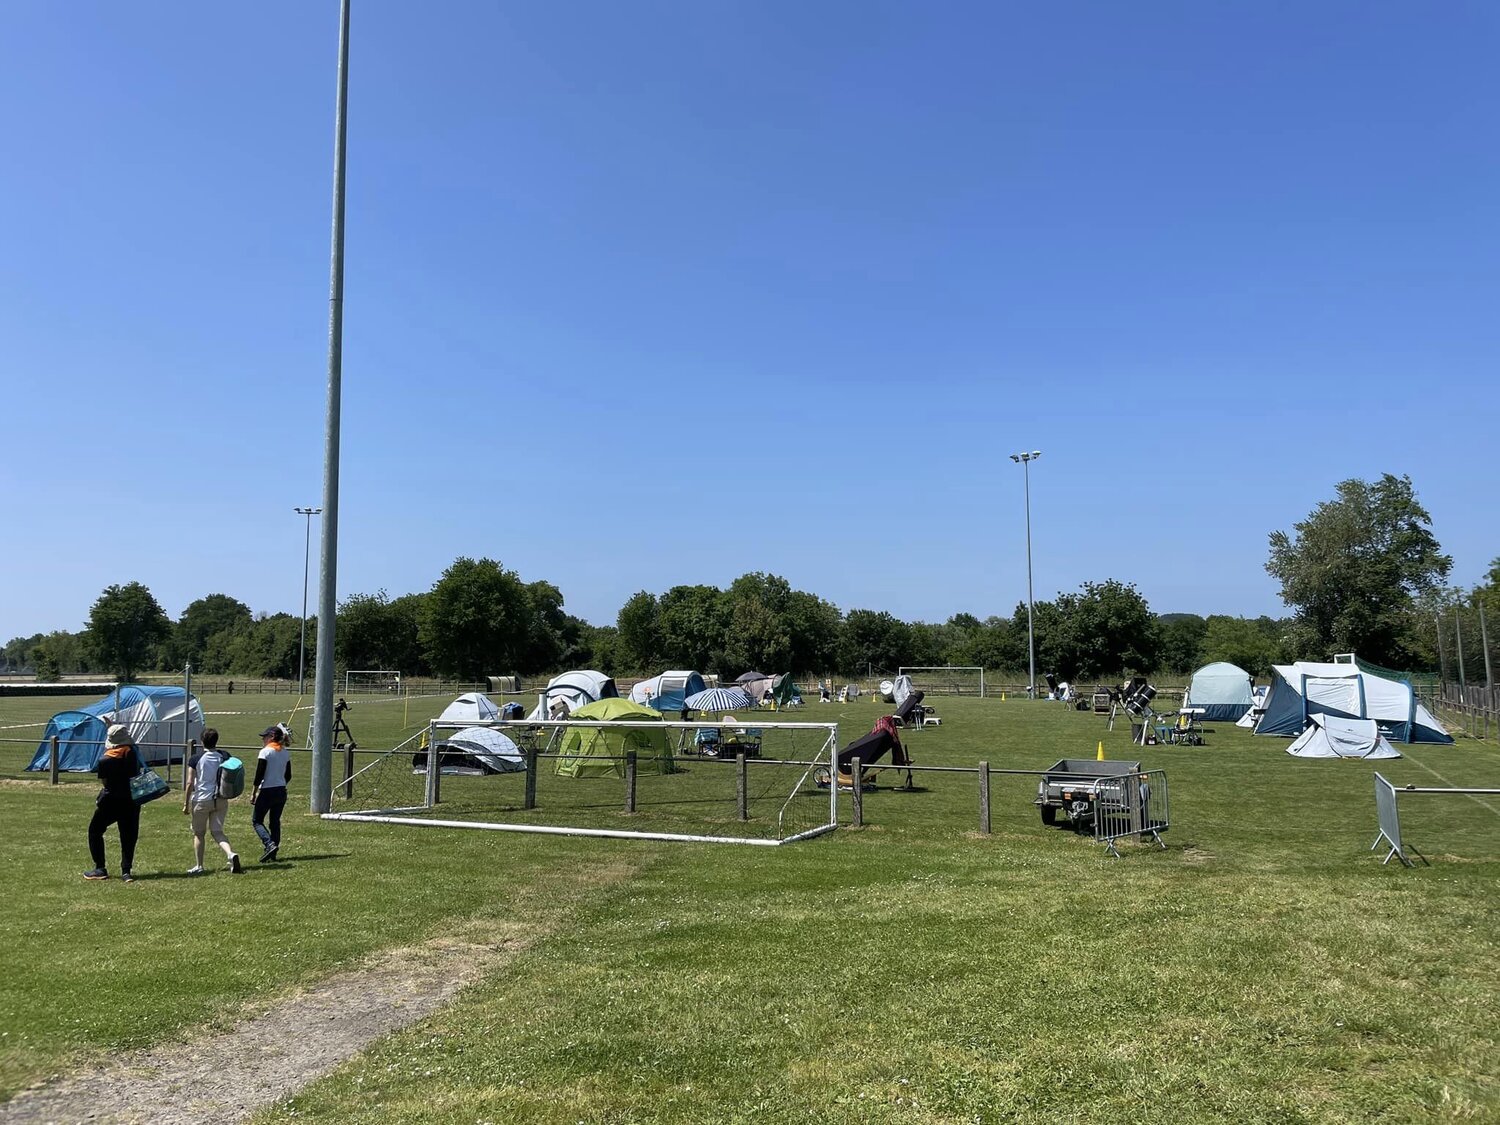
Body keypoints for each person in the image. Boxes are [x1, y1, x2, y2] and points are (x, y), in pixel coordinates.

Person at [84, 724, 142, 882]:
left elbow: (105, 783)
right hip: (131, 799)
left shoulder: (105, 760)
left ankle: (100, 868)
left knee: (95, 831)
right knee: (128, 835)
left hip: (111, 801)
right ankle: (126, 871)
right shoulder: (132, 753)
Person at [184, 728, 241, 874]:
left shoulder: (196, 759)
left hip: (202, 800)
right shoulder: (224, 756)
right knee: (217, 831)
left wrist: (186, 804)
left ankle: (199, 866)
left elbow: (190, 782)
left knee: (199, 833)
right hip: (220, 798)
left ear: (202, 741)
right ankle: (230, 854)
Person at [252, 724, 292, 862]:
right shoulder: (285, 752)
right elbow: (288, 775)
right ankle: (273, 852)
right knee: (275, 822)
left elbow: (259, 775)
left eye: (265, 736)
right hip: (281, 790)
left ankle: (269, 844)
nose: (262, 739)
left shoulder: (265, 752)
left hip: (267, 791)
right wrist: (281, 784)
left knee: (257, 821)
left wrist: (253, 793)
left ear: (271, 737)